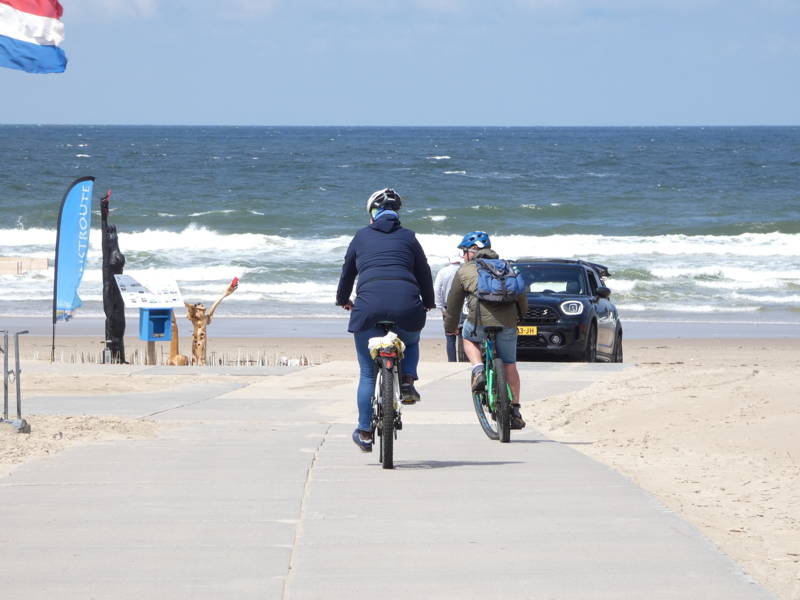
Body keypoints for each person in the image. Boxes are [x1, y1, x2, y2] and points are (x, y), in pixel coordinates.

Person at [336, 188, 436, 452]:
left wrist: (343, 299)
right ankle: (407, 382)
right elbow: (424, 272)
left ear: (372, 213)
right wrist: (428, 302)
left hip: (368, 308)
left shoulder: (361, 236)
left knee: (368, 373)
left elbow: (348, 271)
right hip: (406, 306)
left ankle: (366, 432)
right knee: (411, 342)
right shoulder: (409, 237)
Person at [445, 231, 528, 429]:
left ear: (472, 251)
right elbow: (521, 296)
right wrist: (520, 317)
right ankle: (515, 409)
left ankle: (479, 369)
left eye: (464, 251)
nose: (463, 255)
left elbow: (454, 303)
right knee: (509, 364)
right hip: (508, 322)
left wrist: (450, 328)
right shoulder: (507, 266)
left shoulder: (465, 270)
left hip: (478, 321)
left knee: (468, 338)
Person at [433, 254, 463, 362]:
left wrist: (440, 307)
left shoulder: (443, 271)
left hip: (448, 307)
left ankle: (452, 362)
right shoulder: (464, 270)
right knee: (463, 335)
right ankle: (464, 361)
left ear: (449, 259)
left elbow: (437, 289)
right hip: (463, 306)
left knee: (450, 337)